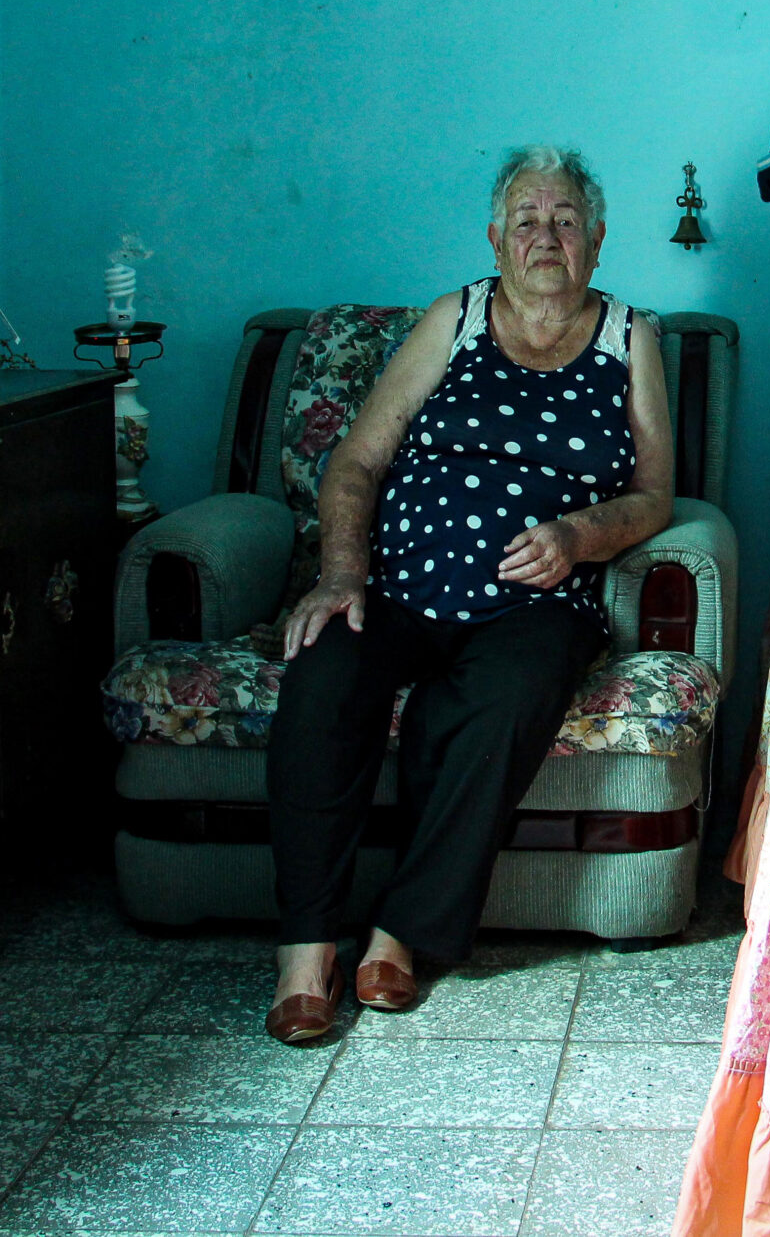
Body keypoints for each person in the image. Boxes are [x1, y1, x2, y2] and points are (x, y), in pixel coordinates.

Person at [263, 146, 673, 1042]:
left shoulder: (630, 335)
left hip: (536, 603)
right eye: (526, 218)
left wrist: (575, 538)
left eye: (566, 218)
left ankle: (399, 932)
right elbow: (360, 460)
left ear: (597, 240)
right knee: (323, 674)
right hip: (400, 587)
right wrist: (341, 574)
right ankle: (305, 951)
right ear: (495, 237)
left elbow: (655, 493)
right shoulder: (455, 317)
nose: (546, 235)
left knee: (501, 700)